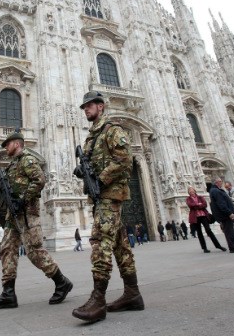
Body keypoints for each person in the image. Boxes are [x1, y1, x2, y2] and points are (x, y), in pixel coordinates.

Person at [72, 91, 144, 323]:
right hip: (100, 196)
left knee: (101, 240)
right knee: (120, 245)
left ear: (101, 106)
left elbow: (124, 160)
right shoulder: (92, 136)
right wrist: (83, 171)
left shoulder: (112, 129)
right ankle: (132, 294)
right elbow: (95, 162)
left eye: (89, 106)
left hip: (110, 194)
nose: (86, 109)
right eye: (84, 107)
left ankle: (98, 298)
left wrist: (100, 179)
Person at [0, 130, 73, 310]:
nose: (5, 148)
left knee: (34, 251)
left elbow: (39, 180)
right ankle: (8, 293)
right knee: (7, 249)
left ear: (16, 144)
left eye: (7, 145)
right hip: (13, 214)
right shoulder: (13, 164)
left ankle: (61, 282)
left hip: (27, 212)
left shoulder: (27, 159)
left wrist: (24, 199)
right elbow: (13, 186)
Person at [186, 186, 225, 253]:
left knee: (208, 230)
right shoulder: (188, 199)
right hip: (196, 217)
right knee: (199, 232)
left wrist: (196, 205)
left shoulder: (200, 197)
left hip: (203, 215)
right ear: (189, 193)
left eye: (192, 191)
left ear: (195, 191)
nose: (192, 192)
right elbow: (190, 205)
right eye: (190, 192)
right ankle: (204, 248)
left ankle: (218, 245)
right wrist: (198, 204)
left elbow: (205, 204)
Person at [209, 178, 234, 253]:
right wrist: (229, 213)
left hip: (224, 214)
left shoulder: (215, 190)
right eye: (221, 181)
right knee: (229, 231)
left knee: (230, 231)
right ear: (217, 182)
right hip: (224, 215)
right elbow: (221, 203)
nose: (222, 183)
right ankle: (233, 248)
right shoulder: (216, 191)